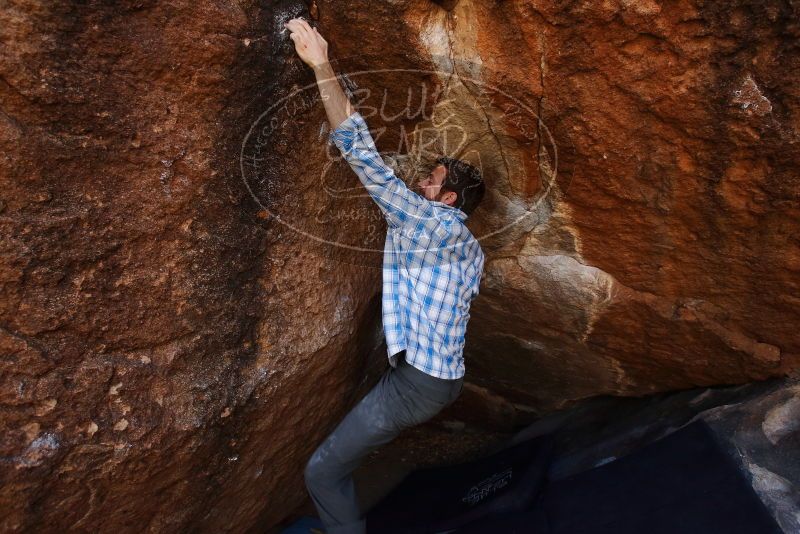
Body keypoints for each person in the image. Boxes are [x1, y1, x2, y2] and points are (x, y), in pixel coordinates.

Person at [284, 17, 486, 534]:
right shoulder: (468, 242)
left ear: (447, 200)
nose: (420, 179)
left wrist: (321, 63)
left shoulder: (427, 222)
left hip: (418, 386)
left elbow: (361, 153)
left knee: (322, 471)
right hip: (438, 379)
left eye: (432, 180)